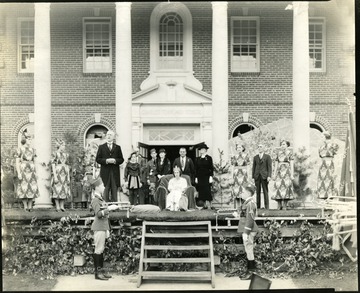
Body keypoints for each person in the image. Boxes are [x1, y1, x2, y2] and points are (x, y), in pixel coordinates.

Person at [89, 176, 118, 281]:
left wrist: (107, 229)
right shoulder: (95, 200)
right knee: (98, 250)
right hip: (99, 227)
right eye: (102, 185)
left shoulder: (100, 199)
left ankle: (101, 272)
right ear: (97, 187)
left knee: (101, 250)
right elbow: (98, 214)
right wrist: (109, 208)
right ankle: (98, 274)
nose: (104, 187)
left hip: (103, 227)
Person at [233, 184, 258, 280]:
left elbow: (250, 220)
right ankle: (249, 271)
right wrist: (238, 214)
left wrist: (246, 233)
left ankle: (251, 273)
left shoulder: (251, 204)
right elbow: (244, 215)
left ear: (248, 193)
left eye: (243, 192)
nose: (241, 194)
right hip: (247, 230)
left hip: (249, 230)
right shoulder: (247, 203)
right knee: (248, 250)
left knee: (249, 250)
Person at [95, 130, 124, 202]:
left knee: (114, 188)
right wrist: (106, 161)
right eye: (107, 134)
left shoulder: (117, 147)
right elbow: (98, 159)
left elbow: (121, 159)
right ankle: (106, 205)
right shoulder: (101, 147)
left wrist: (115, 161)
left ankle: (114, 205)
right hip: (105, 171)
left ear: (113, 137)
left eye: (110, 135)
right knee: (105, 188)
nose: (109, 136)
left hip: (114, 172)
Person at [15, 133, 39, 211]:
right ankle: (25, 206)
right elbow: (17, 162)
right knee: (24, 188)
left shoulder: (33, 150)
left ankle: (30, 206)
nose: (30, 140)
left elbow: (35, 162)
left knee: (32, 187)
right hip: (23, 170)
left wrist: (36, 172)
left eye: (31, 139)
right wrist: (19, 173)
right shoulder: (20, 149)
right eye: (29, 139)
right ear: (25, 139)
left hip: (32, 171)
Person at [272, 140, 294, 210]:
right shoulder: (278, 153)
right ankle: (279, 204)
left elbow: (292, 164)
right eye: (281, 144)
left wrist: (292, 174)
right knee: (278, 187)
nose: (282, 145)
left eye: (284, 144)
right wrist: (274, 174)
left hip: (287, 172)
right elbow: (275, 164)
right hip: (279, 172)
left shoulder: (290, 153)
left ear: (287, 145)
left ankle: (285, 204)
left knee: (286, 187)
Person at [317, 131, 339, 199]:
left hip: (330, 164)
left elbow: (334, 153)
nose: (321, 138)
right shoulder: (321, 147)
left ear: (325, 137)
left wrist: (330, 144)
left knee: (330, 180)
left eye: (322, 137)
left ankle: (330, 198)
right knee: (322, 181)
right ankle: (323, 199)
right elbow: (321, 156)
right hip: (323, 165)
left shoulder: (333, 145)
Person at [51, 139, 71, 212]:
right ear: (59, 146)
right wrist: (55, 176)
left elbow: (67, 166)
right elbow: (53, 165)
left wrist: (68, 177)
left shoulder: (66, 155)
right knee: (57, 189)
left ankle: (62, 206)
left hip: (64, 174)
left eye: (64, 145)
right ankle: (57, 206)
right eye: (63, 145)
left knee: (64, 189)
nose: (64, 147)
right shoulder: (55, 154)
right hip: (58, 173)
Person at [252, 143, 272, 209]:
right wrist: (253, 177)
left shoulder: (267, 157)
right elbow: (253, 167)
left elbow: (269, 167)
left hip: (264, 176)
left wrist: (269, 176)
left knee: (265, 191)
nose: (259, 148)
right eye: (258, 147)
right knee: (257, 192)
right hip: (257, 176)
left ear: (263, 148)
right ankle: (258, 207)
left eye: (261, 147)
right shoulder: (255, 157)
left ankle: (267, 207)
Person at [231, 144, 251, 208]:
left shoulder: (246, 156)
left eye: (240, 147)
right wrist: (231, 177)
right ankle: (237, 208)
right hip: (236, 175)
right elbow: (232, 167)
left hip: (244, 175)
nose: (238, 148)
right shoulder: (234, 156)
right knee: (236, 192)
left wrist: (248, 176)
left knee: (243, 191)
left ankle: (244, 208)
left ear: (243, 148)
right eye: (237, 147)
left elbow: (248, 166)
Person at [194, 143, 214, 209]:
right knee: (201, 190)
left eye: (203, 149)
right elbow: (196, 169)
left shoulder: (209, 158)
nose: (201, 150)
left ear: (205, 150)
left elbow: (211, 168)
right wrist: (196, 177)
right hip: (200, 177)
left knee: (207, 190)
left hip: (207, 177)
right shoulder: (197, 159)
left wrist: (211, 176)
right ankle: (203, 205)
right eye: (200, 149)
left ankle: (209, 205)